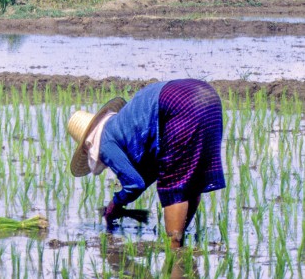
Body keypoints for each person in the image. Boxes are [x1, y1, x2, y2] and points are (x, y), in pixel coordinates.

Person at [66, 78, 226, 248]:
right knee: (192, 179)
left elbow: (134, 184)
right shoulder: (123, 124)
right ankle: (180, 245)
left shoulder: (104, 142)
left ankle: (174, 248)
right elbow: (149, 175)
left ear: (86, 147)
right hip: (208, 97)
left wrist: (115, 205)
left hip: (178, 105)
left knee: (174, 184)